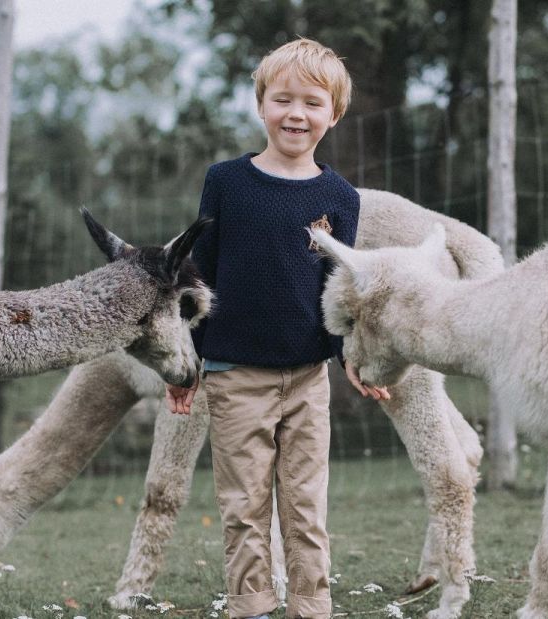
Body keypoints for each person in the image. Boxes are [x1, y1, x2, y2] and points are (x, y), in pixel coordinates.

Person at [165, 38, 389, 619]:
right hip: (234, 374)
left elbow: (338, 291)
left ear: (333, 115)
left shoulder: (340, 197)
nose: (296, 113)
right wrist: (186, 361)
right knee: (243, 504)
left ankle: (312, 606)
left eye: (312, 103)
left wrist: (351, 359)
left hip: (308, 378)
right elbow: (200, 273)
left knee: (305, 503)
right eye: (283, 100)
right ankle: (251, 604)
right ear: (261, 104)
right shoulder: (226, 182)